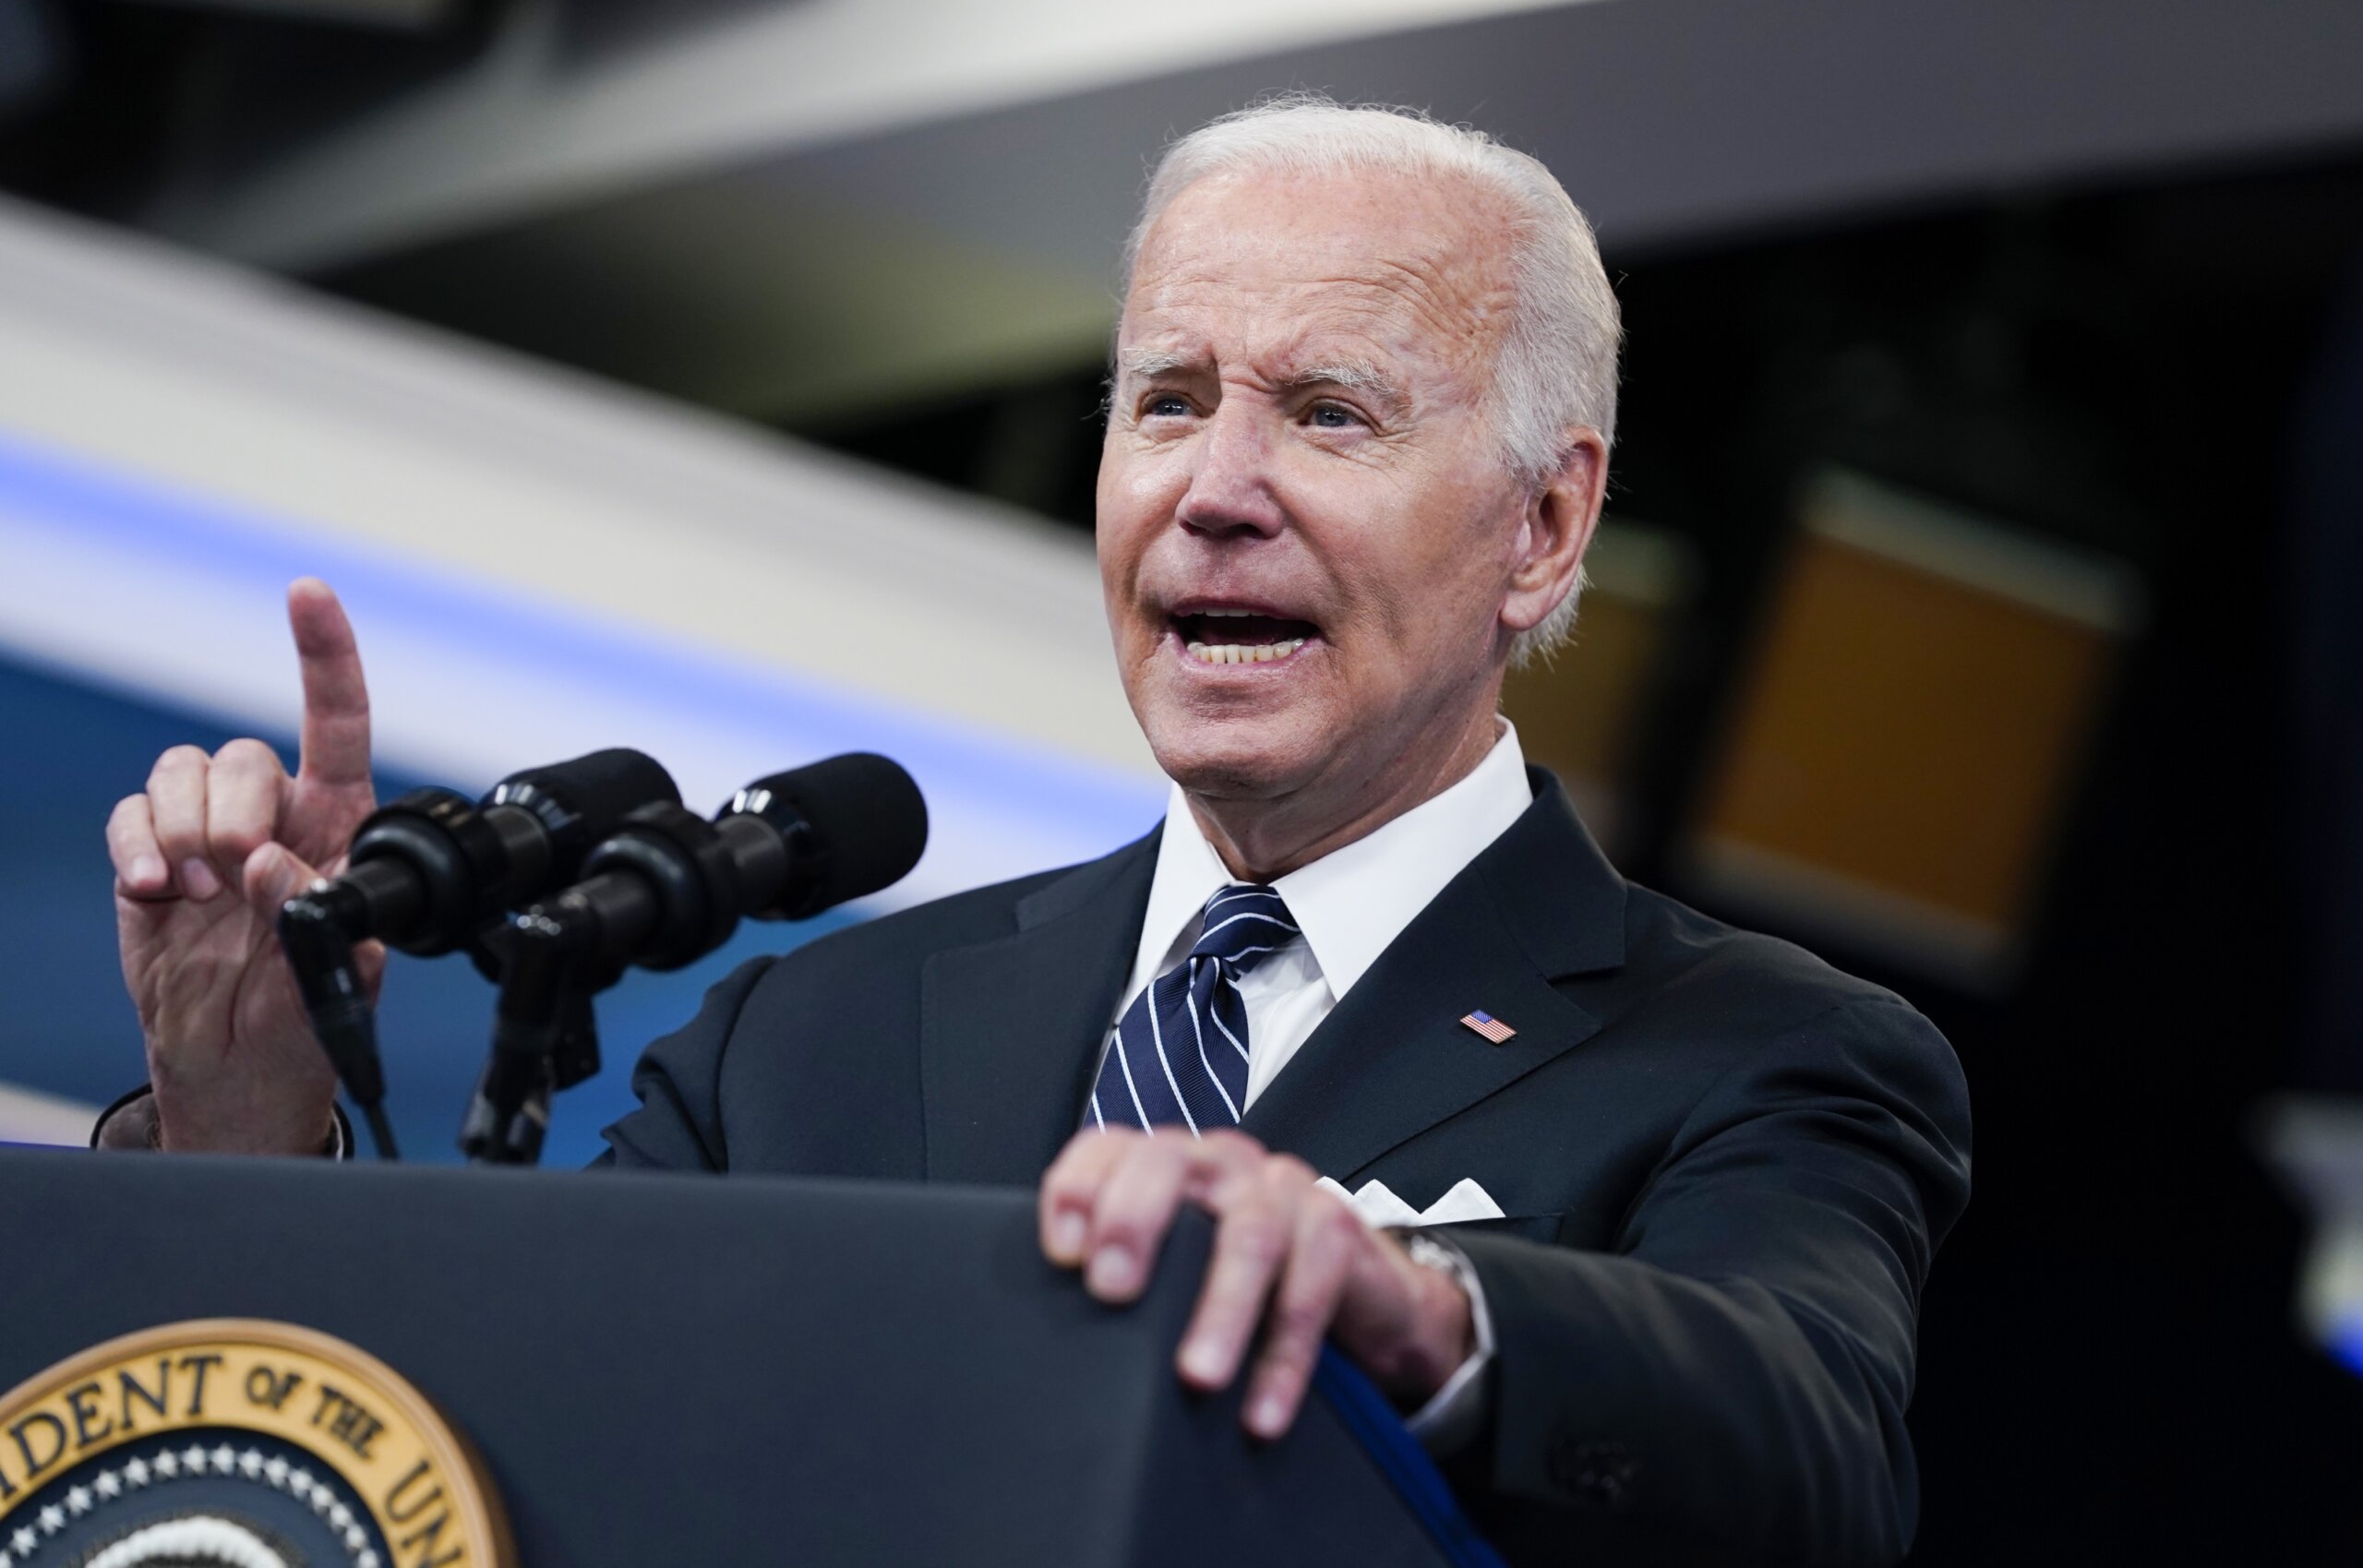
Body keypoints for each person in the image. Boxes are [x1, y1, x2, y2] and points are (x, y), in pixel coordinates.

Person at [98, 98, 1971, 1566]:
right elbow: (477, 1447)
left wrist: (1400, 1304)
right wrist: (244, 1106)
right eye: (1165, 401)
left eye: (1325, 413)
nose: (1213, 490)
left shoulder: (1755, 1048)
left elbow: (1805, 1443)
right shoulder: (806, 1035)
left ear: (1543, 528)